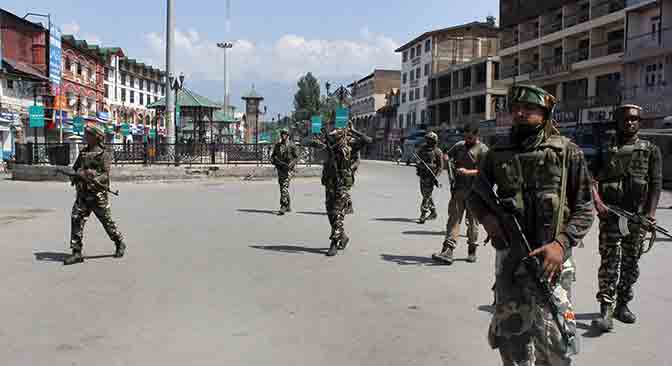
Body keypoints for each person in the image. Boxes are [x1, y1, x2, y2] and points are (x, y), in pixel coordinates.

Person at [467, 85, 594, 365]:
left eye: (530, 109)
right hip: (511, 259)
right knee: (512, 339)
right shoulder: (498, 152)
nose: (521, 113)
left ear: (545, 113)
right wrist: (489, 221)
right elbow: (476, 196)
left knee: (556, 340)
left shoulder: (566, 152)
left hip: (552, 263)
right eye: (516, 109)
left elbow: (585, 207)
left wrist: (561, 245)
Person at [590, 104, 662, 332]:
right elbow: (590, 178)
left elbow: (656, 183)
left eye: (634, 119)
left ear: (639, 122)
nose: (630, 123)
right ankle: (606, 311)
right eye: (625, 119)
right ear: (618, 122)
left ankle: (622, 305)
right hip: (611, 216)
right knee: (610, 263)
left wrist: (650, 214)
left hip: (636, 218)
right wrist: (598, 203)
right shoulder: (606, 148)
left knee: (631, 264)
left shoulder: (650, 150)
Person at [64, 124, 126, 265]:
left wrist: (92, 177)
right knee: (76, 219)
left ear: (96, 137)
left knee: (107, 222)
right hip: (83, 194)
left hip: (98, 195)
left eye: (88, 135)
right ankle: (76, 252)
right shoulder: (84, 152)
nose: (86, 137)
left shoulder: (104, 153)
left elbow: (105, 174)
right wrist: (76, 176)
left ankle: (119, 242)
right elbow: (75, 168)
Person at [308, 124, 372, 256]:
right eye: (332, 136)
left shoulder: (350, 146)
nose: (333, 138)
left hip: (342, 184)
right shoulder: (326, 146)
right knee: (330, 213)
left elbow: (367, 140)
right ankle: (342, 236)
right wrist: (315, 135)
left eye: (336, 135)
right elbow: (305, 142)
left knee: (337, 212)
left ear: (342, 135)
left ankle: (334, 243)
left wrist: (353, 131)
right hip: (329, 184)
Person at [433, 121, 488, 264]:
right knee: (453, 219)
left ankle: (472, 250)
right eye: (466, 137)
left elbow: (485, 172)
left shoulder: (483, 150)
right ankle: (448, 250)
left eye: (470, 137)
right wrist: (446, 158)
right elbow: (448, 156)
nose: (467, 140)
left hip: (475, 192)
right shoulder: (459, 146)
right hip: (458, 190)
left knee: (473, 223)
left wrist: (468, 172)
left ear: (477, 136)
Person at [416, 132, 444, 224]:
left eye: (430, 140)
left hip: (430, 177)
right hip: (422, 175)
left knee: (426, 196)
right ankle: (433, 212)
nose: (428, 142)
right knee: (426, 194)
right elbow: (417, 160)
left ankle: (423, 214)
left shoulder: (438, 152)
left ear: (434, 141)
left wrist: (436, 175)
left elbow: (440, 166)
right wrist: (420, 165)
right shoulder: (422, 149)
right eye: (427, 140)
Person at [271, 129, 299, 215]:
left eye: (285, 134)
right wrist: (275, 162)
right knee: (282, 186)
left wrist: (291, 164)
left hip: (288, 170)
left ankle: (283, 206)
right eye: (282, 134)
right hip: (280, 169)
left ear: (288, 135)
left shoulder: (291, 145)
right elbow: (273, 156)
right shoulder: (277, 145)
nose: (283, 136)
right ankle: (288, 204)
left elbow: (296, 157)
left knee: (284, 186)